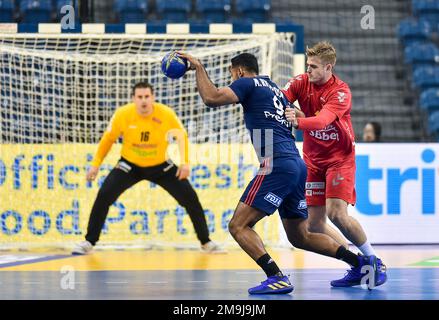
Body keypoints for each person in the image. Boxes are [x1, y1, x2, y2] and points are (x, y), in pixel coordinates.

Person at [177, 51, 382, 294]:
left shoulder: (246, 83)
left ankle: (276, 276)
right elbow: (298, 119)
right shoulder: (276, 90)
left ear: (239, 71)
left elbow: (211, 98)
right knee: (299, 237)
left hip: (276, 164)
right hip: (297, 165)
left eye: (232, 74)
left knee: (238, 226)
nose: (232, 80)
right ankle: (359, 263)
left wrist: (199, 67)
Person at [72, 82, 224, 255]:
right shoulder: (123, 114)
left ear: (153, 98)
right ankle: (89, 241)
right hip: (129, 164)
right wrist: (95, 165)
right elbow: (107, 140)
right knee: (104, 195)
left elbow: (181, 137)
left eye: (146, 97)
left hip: (161, 165)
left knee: (190, 197)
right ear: (133, 99)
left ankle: (206, 242)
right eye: (139, 97)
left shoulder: (166, 114)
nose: (143, 101)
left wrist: (185, 162)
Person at [283, 41, 387, 287]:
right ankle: (358, 264)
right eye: (307, 66)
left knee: (336, 213)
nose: (308, 71)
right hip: (313, 160)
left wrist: (298, 120)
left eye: (314, 67)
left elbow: (322, 122)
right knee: (315, 223)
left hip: (340, 159)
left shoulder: (341, 91)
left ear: (328, 67)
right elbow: (280, 99)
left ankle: (374, 261)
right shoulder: (301, 81)